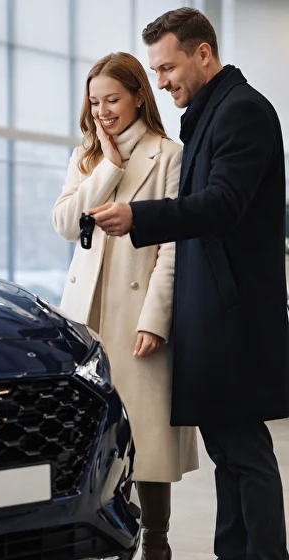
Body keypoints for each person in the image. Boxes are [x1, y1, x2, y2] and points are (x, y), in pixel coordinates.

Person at [93, 8, 289, 560]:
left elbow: (223, 204)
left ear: (203, 53)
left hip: (234, 318)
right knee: (229, 453)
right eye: (156, 70)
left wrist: (140, 217)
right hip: (215, 315)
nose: (161, 82)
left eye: (167, 67)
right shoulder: (211, 114)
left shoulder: (242, 111)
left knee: (244, 452)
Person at [52, 52, 198, 560]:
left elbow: (174, 246)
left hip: (138, 315)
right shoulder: (88, 155)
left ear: (139, 95)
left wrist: (156, 319)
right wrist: (109, 167)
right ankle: (107, 540)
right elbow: (66, 223)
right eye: (95, 102)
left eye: (112, 99)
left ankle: (157, 544)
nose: (103, 111)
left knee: (148, 439)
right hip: (86, 315)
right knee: (92, 436)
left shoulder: (170, 155)